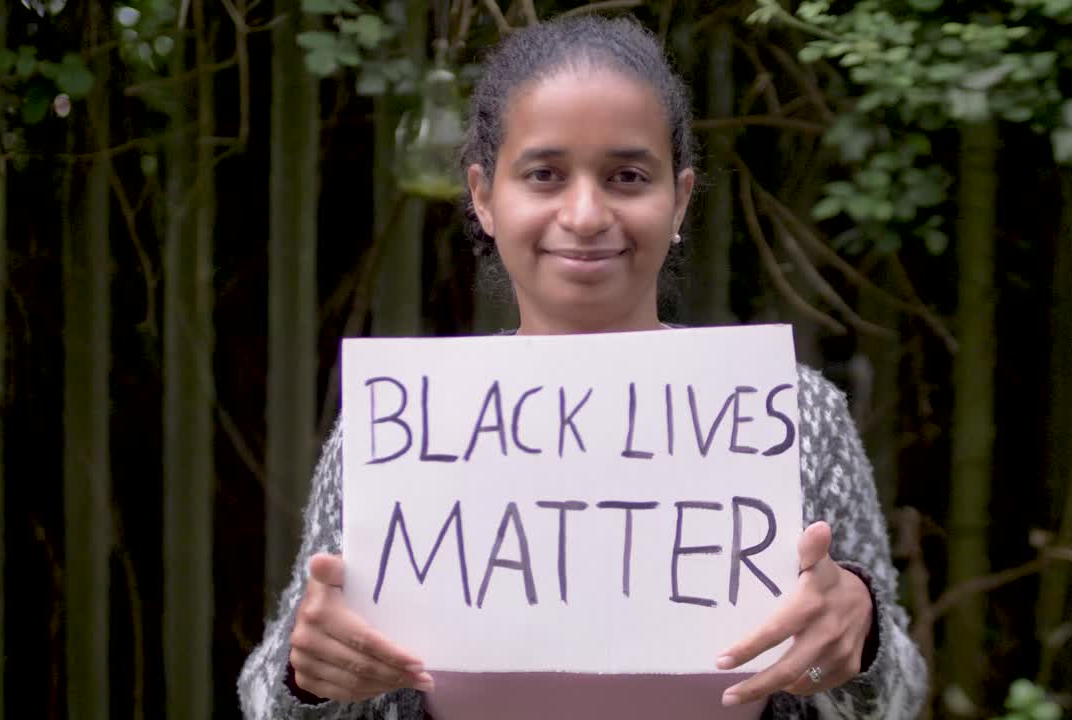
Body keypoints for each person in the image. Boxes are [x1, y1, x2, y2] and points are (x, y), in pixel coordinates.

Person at [238, 13, 927, 720]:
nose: (587, 212)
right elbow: (267, 698)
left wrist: (862, 632)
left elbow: (898, 695)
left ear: (679, 199)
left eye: (628, 176)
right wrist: (308, 674)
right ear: (484, 198)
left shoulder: (792, 414)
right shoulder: (399, 426)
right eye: (544, 175)